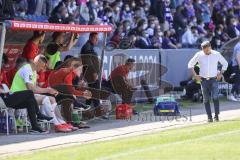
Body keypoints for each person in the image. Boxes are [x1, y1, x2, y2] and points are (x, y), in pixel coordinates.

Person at [0, 55, 51, 133]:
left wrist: (47, 90)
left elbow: (34, 88)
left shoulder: (33, 71)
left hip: (17, 97)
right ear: (37, 63)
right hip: (10, 97)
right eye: (42, 66)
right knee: (30, 93)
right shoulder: (27, 69)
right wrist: (47, 90)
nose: (42, 69)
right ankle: (39, 115)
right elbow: (31, 89)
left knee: (30, 101)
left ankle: (35, 127)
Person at [188, 41, 228, 122]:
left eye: (206, 50)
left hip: (214, 79)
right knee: (205, 99)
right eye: (204, 50)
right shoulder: (199, 54)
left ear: (210, 47)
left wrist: (220, 74)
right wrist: (195, 75)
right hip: (203, 80)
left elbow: (225, 63)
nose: (205, 52)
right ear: (202, 49)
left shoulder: (216, 54)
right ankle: (209, 117)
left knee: (215, 97)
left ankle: (216, 116)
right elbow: (190, 64)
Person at [80, 32, 101, 109]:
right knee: (95, 91)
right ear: (90, 38)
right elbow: (88, 61)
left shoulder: (89, 46)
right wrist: (94, 72)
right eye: (95, 39)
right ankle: (97, 108)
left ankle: (87, 108)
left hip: (90, 73)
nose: (97, 41)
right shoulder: (87, 47)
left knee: (91, 92)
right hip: (90, 74)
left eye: (97, 39)